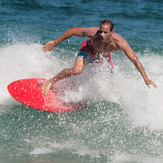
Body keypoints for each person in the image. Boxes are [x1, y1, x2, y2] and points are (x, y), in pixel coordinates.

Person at [42, 19, 156, 95]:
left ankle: (81, 92)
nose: (101, 35)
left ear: (112, 32)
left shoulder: (120, 43)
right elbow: (73, 31)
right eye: (101, 31)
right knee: (77, 70)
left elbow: (134, 60)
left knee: (110, 85)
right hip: (88, 50)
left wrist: (145, 78)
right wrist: (55, 42)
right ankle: (51, 81)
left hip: (103, 57)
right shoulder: (93, 33)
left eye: (105, 32)